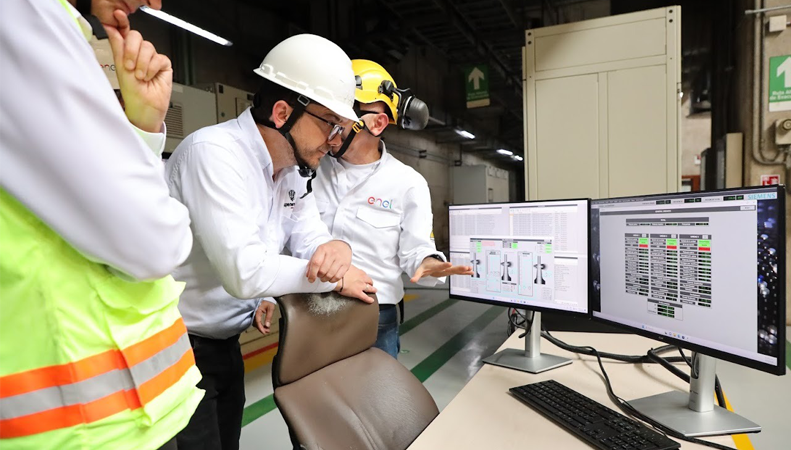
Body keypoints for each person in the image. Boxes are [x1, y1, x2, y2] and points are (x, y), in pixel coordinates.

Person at [0, 1, 202, 450]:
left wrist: (143, 128)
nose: (154, 4)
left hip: (126, 415)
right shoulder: (20, 13)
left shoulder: (58, 23)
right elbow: (152, 240)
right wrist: (169, 221)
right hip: (81, 428)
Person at [165, 34, 377, 450]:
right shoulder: (215, 154)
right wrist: (334, 279)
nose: (335, 140)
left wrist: (338, 251)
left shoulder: (293, 172)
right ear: (282, 112)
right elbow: (245, 273)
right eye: (329, 124)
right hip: (178, 350)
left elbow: (309, 236)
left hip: (225, 344)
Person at [313, 60, 473, 358]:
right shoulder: (310, 169)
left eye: (340, 118)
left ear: (377, 123)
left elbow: (416, 250)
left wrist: (429, 263)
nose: (329, 130)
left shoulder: (407, 183)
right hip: (310, 308)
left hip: (374, 315)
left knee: (374, 400)